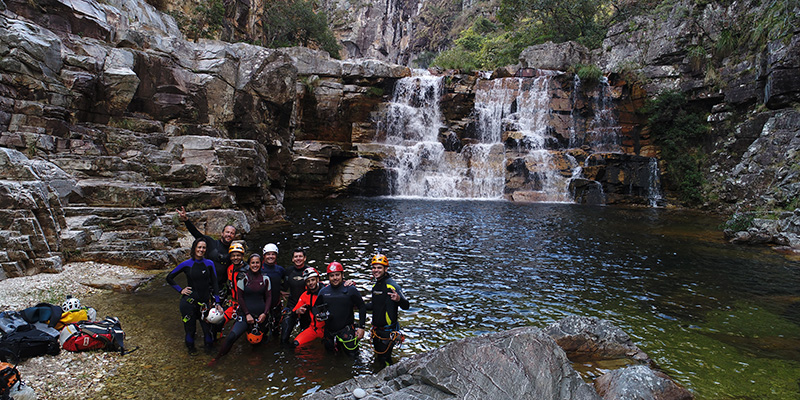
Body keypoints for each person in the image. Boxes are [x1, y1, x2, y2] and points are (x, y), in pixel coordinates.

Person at [209, 254, 272, 366]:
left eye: (257, 262)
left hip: (261, 315)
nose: (255, 265)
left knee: (259, 340)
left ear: (261, 263)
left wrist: (265, 313)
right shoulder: (243, 278)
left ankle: (257, 361)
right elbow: (240, 298)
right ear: (249, 264)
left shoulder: (266, 278)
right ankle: (218, 359)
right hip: (245, 314)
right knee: (232, 337)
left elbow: (268, 297)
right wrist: (247, 314)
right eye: (253, 263)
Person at [166, 238, 222, 355]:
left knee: (208, 331)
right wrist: (180, 290)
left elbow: (215, 283)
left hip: (205, 304)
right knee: (190, 330)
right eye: (199, 247)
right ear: (194, 248)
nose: (201, 250)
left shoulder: (209, 264)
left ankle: (209, 353)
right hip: (188, 304)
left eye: (204, 248)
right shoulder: (187, 264)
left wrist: (217, 302)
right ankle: (192, 352)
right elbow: (169, 278)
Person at [175, 206, 236, 296]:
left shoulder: (233, 252)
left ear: (234, 236)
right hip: (204, 285)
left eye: (232, 233)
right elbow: (196, 233)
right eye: (227, 232)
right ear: (222, 233)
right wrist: (186, 220)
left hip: (220, 287)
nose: (229, 235)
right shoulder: (210, 242)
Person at [366, 254, 409, 366]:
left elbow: (406, 306)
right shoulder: (376, 286)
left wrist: (399, 299)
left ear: (386, 269)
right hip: (376, 331)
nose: (376, 270)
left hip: (387, 332)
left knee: (385, 360)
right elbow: (375, 306)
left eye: (379, 267)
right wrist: (359, 306)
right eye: (374, 267)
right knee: (378, 358)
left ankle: (389, 382)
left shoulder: (392, 286)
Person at [316, 262, 366, 356]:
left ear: (342, 275)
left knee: (353, 358)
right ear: (328, 277)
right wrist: (318, 315)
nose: (335, 278)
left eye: (337, 275)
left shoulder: (350, 289)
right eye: (332, 275)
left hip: (346, 330)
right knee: (330, 357)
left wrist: (361, 327)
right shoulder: (323, 292)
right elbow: (316, 307)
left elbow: (362, 306)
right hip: (329, 331)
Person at [280, 248, 311, 345]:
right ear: (292, 259)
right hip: (292, 306)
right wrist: (279, 292)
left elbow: (319, 288)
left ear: (304, 258)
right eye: (296, 257)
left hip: (306, 307)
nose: (298, 259)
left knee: (305, 339)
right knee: (284, 337)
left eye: (300, 256)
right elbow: (283, 286)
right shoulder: (288, 271)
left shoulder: (310, 271)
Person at [291, 268, 325, 348]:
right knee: (295, 344)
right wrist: (297, 311)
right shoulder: (305, 295)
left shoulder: (327, 291)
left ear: (317, 279)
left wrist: (350, 283)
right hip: (313, 329)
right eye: (308, 281)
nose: (310, 283)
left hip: (328, 330)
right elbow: (294, 311)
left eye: (312, 280)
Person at [260, 243, 286, 340]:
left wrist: (281, 290)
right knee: (262, 330)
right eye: (268, 254)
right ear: (264, 256)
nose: (271, 256)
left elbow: (287, 281)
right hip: (262, 305)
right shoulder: (259, 269)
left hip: (276, 303)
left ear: (276, 256)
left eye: (273, 254)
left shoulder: (280, 270)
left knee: (276, 330)